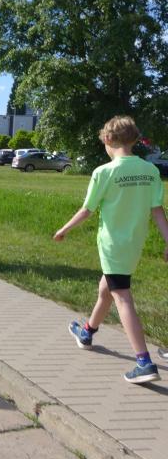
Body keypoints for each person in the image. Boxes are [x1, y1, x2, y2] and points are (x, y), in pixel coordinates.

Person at [55, 116, 168, 384]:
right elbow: (158, 212)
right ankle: (87, 332)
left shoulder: (103, 172)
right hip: (134, 244)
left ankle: (144, 362)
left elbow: (87, 210)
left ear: (108, 139)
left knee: (122, 297)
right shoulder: (150, 170)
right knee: (106, 289)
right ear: (134, 139)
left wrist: (64, 229)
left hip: (112, 245)